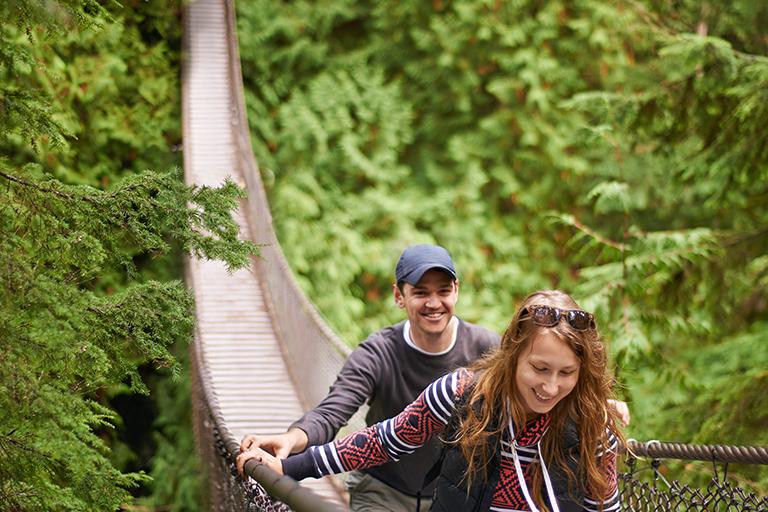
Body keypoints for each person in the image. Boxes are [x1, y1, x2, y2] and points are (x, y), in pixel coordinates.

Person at [239, 246, 629, 511]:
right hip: (390, 491)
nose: (549, 386)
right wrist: (289, 462)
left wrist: (592, 407)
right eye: (540, 369)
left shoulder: (592, 427)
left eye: (567, 374)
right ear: (511, 357)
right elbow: (379, 438)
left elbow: (605, 504)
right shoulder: (453, 385)